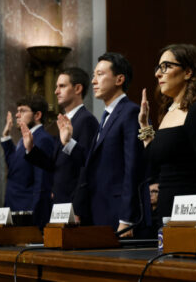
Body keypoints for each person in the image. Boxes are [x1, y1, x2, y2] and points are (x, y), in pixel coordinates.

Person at [58, 53, 147, 237]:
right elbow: (93, 163)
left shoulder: (130, 112)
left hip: (119, 214)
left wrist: (127, 219)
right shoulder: (107, 115)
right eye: (93, 75)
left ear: (119, 79)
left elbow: (134, 168)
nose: (93, 81)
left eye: (100, 74)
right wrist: (69, 142)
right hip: (99, 210)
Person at [138, 44, 196, 226]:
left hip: (192, 208)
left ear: (188, 72)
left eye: (166, 66)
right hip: (166, 206)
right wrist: (145, 126)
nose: (158, 74)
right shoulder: (167, 112)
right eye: (158, 68)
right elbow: (154, 163)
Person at [22, 68, 98, 205]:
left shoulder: (86, 120)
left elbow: (87, 166)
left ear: (78, 88)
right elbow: (54, 164)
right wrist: (31, 149)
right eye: (56, 87)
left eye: (62, 86)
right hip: (60, 201)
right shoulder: (64, 120)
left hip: (74, 205)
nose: (56, 91)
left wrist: (78, 207)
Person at [1, 95, 54, 228]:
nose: (17, 115)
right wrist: (6, 136)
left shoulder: (43, 139)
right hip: (14, 206)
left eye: (23, 111)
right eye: (17, 111)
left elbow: (41, 180)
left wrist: (35, 212)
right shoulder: (24, 138)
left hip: (28, 210)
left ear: (37, 115)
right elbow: (14, 168)